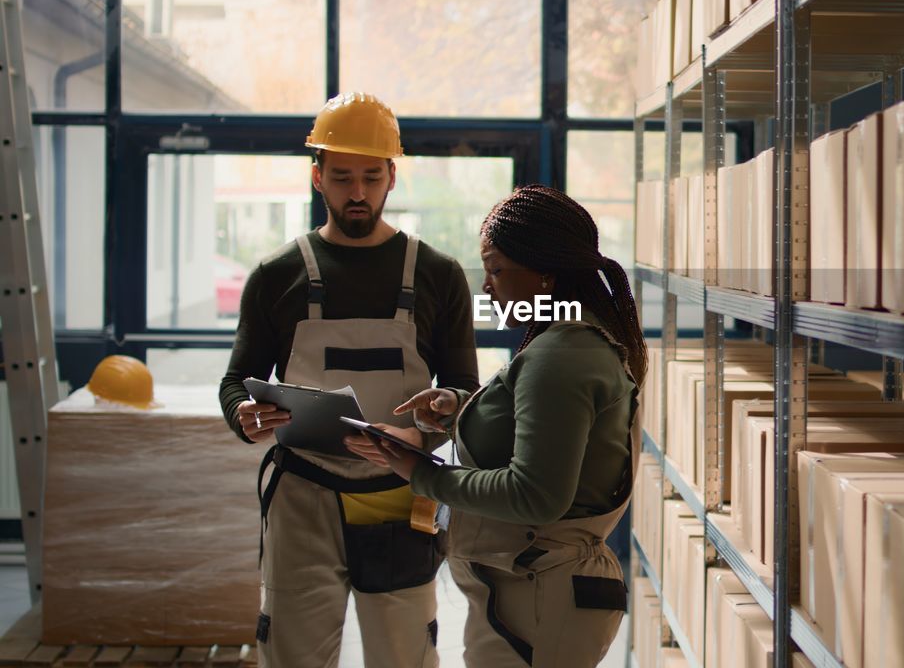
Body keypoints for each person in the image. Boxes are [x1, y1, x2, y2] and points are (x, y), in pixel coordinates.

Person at [218, 92, 479, 668]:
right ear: (318, 177)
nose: (356, 193)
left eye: (369, 176)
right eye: (341, 177)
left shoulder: (437, 275)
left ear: (392, 176)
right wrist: (243, 412)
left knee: (403, 656)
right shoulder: (276, 276)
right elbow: (237, 379)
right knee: (292, 654)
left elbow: (464, 390)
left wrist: (440, 415)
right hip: (303, 495)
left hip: (399, 496)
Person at [346, 185, 646, 667]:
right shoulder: (570, 341)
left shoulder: (562, 354)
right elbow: (541, 427)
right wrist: (460, 408)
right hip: (529, 591)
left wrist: (421, 473)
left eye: (496, 269)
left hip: (539, 599)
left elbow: (536, 495)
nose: (486, 286)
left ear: (544, 273)